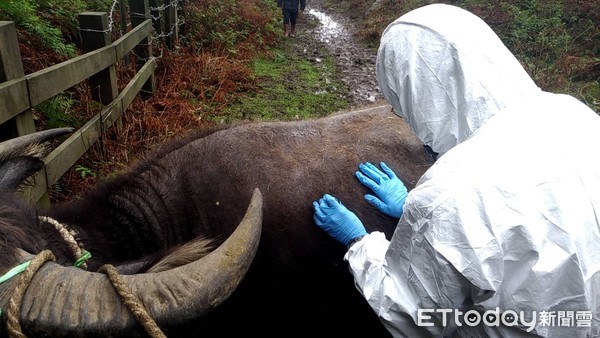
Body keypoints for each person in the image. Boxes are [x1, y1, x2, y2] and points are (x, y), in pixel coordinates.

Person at [313, 3, 600, 337]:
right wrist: (418, 214)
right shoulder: (577, 116)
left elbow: (409, 316)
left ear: (415, 90)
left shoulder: (452, 190)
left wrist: (360, 242)